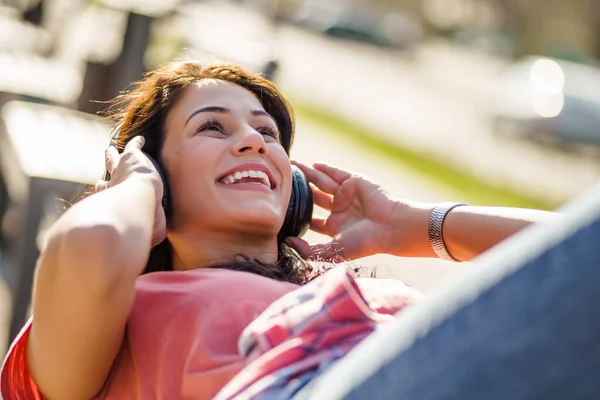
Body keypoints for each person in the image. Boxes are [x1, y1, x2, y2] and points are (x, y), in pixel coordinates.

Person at [0, 60, 559, 400]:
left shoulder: (363, 294)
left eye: (266, 131)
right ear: (158, 179)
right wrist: (132, 186)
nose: (255, 141)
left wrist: (409, 226)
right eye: (211, 127)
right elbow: (83, 247)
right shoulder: (121, 319)